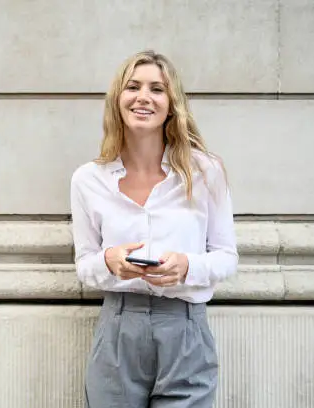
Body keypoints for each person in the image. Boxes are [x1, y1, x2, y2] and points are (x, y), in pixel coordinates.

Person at [70, 50, 238, 408]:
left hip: (186, 331)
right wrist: (110, 259)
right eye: (133, 86)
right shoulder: (88, 179)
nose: (143, 96)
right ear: (118, 99)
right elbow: (84, 264)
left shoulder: (206, 172)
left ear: (172, 104)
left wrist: (187, 267)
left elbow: (227, 257)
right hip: (118, 328)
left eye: (157, 89)